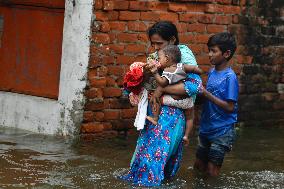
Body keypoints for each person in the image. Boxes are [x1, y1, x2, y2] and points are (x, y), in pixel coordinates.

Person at [119, 21, 201, 186]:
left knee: (155, 159)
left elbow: (194, 86)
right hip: (154, 114)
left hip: (170, 117)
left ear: (172, 39)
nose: (155, 47)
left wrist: (161, 90)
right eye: (153, 43)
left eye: (159, 43)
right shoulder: (156, 57)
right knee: (144, 157)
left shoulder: (183, 55)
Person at [194, 32, 239, 177]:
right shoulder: (212, 72)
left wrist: (206, 94)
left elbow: (230, 107)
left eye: (214, 51)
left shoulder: (230, 77)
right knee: (198, 166)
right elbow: (207, 98)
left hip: (222, 131)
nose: (209, 54)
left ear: (226, 54)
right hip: (206, 128)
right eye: (209, 50)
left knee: (212, 171)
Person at [146, 45, 203, 126]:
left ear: (166, 58)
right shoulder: (181, 66)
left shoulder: (167, 70)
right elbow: (193, 68)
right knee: (190, 118)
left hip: (174, 99)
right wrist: (199, 71)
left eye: (159, 58)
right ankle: (186, 135)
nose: (158, 60)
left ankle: (155, 118)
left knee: (156, 98)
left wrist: (155, 73)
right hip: (187, 100)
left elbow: (162, 83)